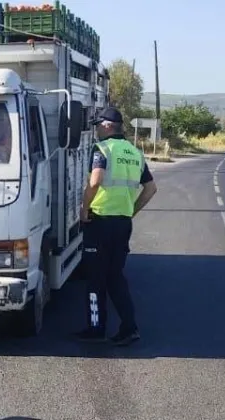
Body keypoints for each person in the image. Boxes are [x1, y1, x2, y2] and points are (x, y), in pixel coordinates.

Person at [74, 107, 158, 347]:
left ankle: (96, 328)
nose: (96, 130)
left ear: (107, 126)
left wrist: (83, 208)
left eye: (98, 126)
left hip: (99, 221)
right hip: (122, 223)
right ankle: (129, 327)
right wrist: (130, 210)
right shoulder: (135, 152)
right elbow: (151, 188)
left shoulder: (102, 149)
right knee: (115, 277)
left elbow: (96, 179)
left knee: (95, 278)